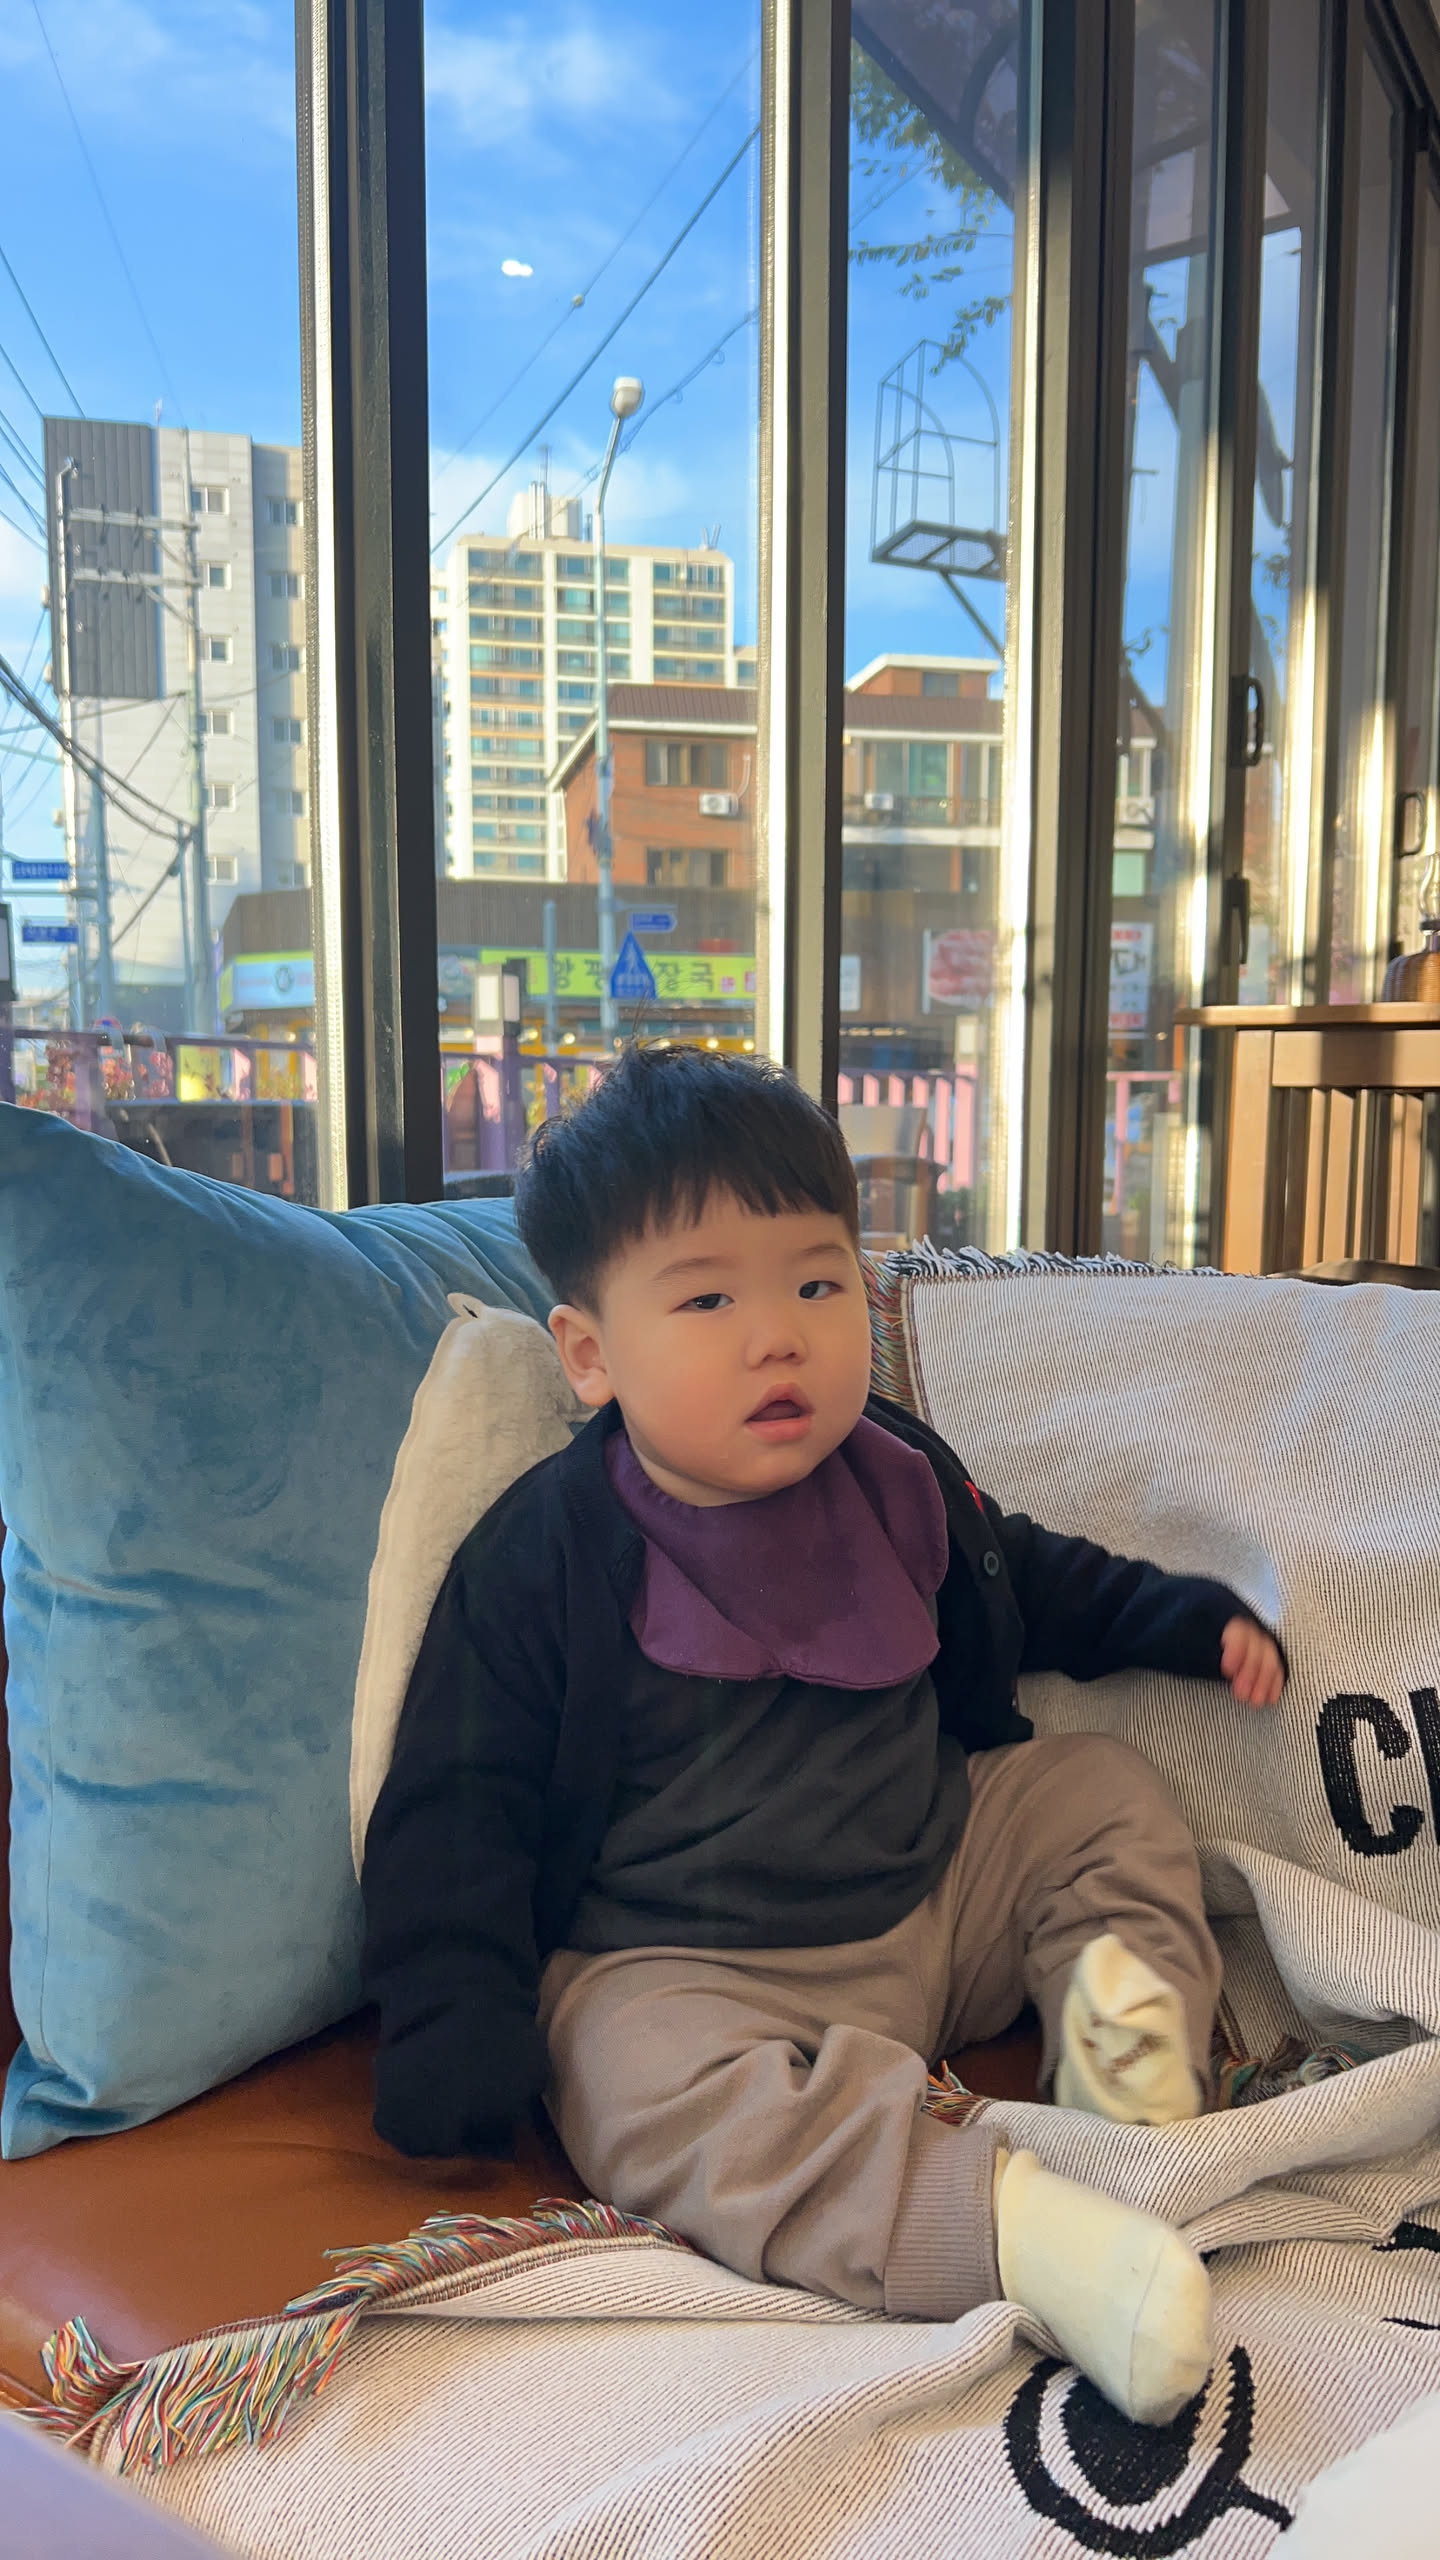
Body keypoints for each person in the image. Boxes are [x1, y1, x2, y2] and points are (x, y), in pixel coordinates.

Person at [362, 1045, 1285, 2428]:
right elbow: (457, 1802)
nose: (777, 1336)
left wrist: (1183, 1620)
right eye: (709, 1299)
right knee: (623, 2078)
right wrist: (451, 2025)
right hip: (687, 1968)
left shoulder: (901, 1479)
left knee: (1097, 1791)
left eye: (817, 1282)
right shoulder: (544, 1558)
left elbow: (1032, 1582)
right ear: (591, 1355)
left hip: (936, 1899)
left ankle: (1126, 2073)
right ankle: (1021, 2234)